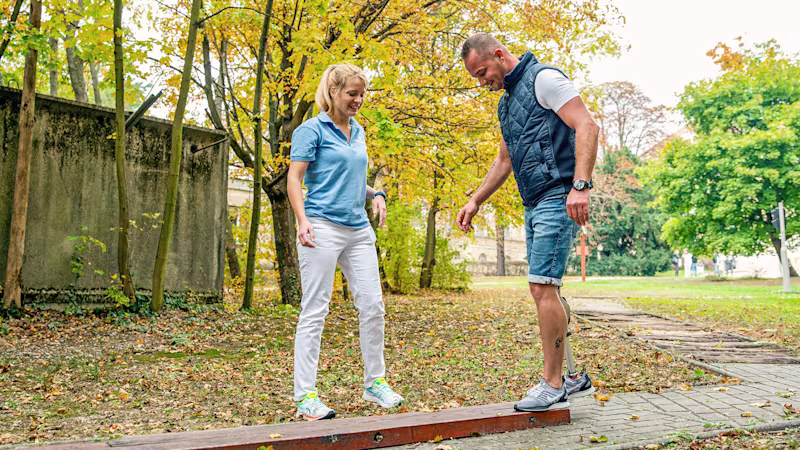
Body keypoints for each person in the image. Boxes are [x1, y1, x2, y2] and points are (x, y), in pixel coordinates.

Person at [457, 34, 598, 412]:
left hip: (559, 195)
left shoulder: (544, 80)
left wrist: (581, 186)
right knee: (547, 288)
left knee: (541, 287)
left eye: (483, 72)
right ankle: (571, 377)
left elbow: (587, 125)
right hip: (534, 202)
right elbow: (504, 161)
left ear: (500, 55)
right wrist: (475, 200)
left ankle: (553, 384)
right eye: (477, 77)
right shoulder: (506, 105)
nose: (483, 82)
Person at [288, 63, 403, 421]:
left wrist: (376, 193)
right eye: (352, 93)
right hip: (321, 227)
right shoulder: (311, 130)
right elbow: (294, 180)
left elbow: (351, 179)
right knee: (315, 309)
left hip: (357, 229)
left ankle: (375, 384)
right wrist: (302, 220)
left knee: (372, 305)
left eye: (362, 94)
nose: (358, 100)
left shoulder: (359, 131)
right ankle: (306, 394)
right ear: (333, 92)